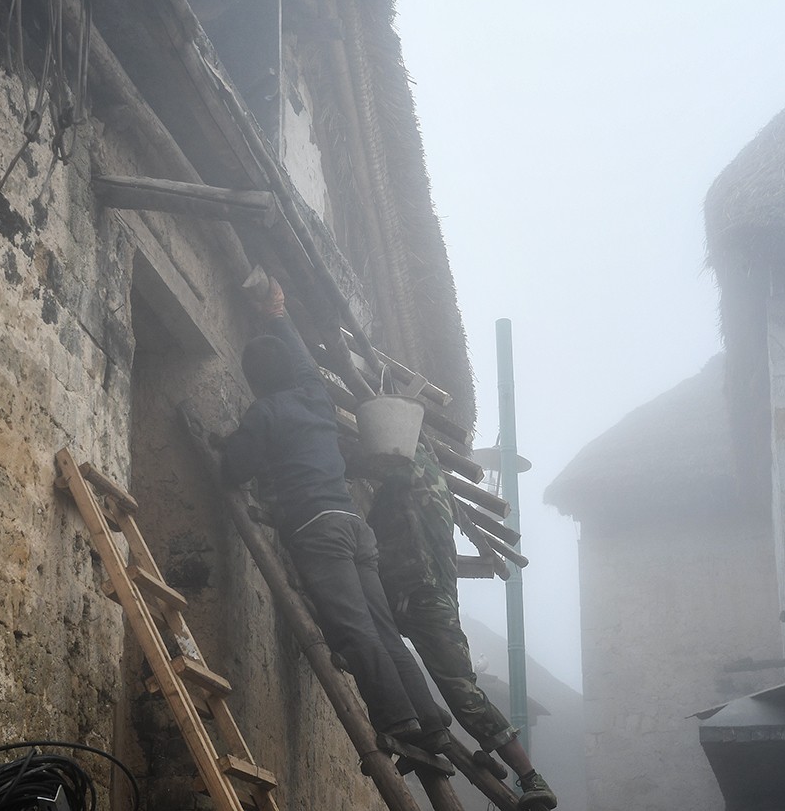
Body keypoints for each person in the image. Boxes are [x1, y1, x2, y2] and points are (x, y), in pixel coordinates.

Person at [220, 272, 448, 748]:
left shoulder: (265, 412)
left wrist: (231, 446)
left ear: (255, 381)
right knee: (384, 631)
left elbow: (234, 471)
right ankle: (431, 720)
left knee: (353, 629)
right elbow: (304, 361)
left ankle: (398, 723)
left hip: (319, 530)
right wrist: (277, 314)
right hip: (354, 526)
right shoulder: (314, 395)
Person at [370, 442, 558, 809]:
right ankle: (426, 729)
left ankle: (531, 778)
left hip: (420, 597)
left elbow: (374, 511)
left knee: (463, 694)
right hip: (426, 597)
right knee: (397, 661)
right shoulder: (438, 487)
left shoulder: (410, 477)